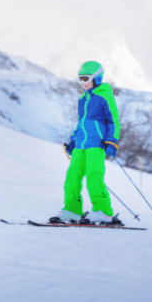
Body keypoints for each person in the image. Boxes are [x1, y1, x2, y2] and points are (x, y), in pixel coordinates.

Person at [52, 61, 121, 225]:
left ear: (97, 78)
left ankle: (103, 212)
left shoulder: (104, 96)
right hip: (80, 146)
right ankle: (73, 210)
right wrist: (73, 141)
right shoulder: (83, 99)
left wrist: (112, 141)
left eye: (86, 79)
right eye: (80, 79)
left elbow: (113, 121)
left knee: (93, 178)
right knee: (72, 178)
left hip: (96, 145)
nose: (83, 83)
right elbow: (81, 123)